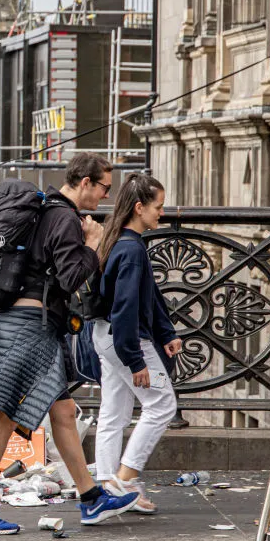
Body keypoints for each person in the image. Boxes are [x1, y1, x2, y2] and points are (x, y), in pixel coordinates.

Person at [0, 153, 139, 535]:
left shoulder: (48, 211)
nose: (105, 196)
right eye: (104, 187)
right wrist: (93, 242)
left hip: (26, 321)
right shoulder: (64, 218)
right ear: (85, 182)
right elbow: (72, 277)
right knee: (3, 413)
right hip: (29, 325)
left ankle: (91, 498)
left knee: (64, 411)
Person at [92, 173, 181, 513]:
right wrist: (136, 360)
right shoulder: (132, 250)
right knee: (161, 405)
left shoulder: (118, 242)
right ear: (139, 207)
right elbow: (128, 308)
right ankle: (123, 481)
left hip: (106, 336)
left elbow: (144, 297)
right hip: (126, 340)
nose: (163, 212)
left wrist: (165, 332)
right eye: (158, 207)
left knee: (114, 410)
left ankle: (105, 483)